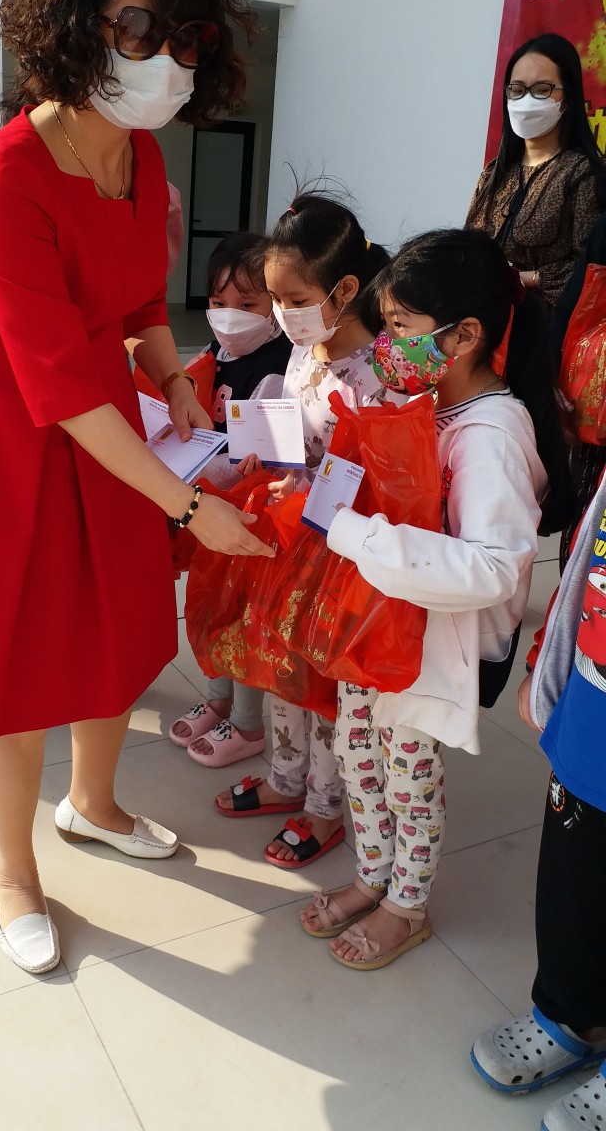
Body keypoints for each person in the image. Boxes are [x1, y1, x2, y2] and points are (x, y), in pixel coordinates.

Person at [0, 0, 273, 976]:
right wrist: (188, 504)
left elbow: (141, 299)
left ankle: (92, 805)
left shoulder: (140, 155)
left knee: (113, 636)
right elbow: (51, 384)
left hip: (106, 421)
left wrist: (173, 380)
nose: (163, 58)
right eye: (138, 29)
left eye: (185, 37)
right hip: (7, 438)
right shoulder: (7, 175)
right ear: (74, 26)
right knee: (15, 676)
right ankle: (13, 870)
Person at [298, 228, 573, 968]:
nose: (386, 344)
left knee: (407, 778)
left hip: (431, 650)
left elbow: (494, 568)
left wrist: (352, 531)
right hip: (380, 627)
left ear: (465, 335)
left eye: (399, 327)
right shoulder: (423, 401)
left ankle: (406, 904)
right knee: (358, 756)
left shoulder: (491, 433)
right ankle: (370, 873)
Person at [213, 193, 392, 868]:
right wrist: (270, 461)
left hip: (344, 557)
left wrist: (314, 488)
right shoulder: (303, 351)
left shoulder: (381, 372)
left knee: (326, 687)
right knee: (284, 665)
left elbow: (380, 477)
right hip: (293, 541)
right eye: (276, 300)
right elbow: (296, 437)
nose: (284, 314)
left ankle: (324, 806)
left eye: (295, 299)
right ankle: (287, 778)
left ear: (344, 290)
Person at [470, 466, 606, 1131]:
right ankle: (570, 1010)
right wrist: (545, 660)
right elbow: (587, 546)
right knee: (574, 873)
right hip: (595, 690)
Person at [169, 231, 291, 767]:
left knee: (246, 617)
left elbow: (270, 456)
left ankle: (246, 724)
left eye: (247, 305)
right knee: (210, 606)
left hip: (252, 515)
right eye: (218, 303)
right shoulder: (214, 354)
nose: (228, 317)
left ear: (275, 306)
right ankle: (218, 701)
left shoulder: (282, 366)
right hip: (209, 506)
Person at [466, 33, 606, 309]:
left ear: (568, 97)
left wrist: (526, 279)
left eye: (542, 90)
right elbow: (466, 247)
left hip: (545, 324)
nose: (526, 101)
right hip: (482, 319)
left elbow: (592, 271)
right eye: (517, 90)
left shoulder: (584, 174)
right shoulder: (493, 174)